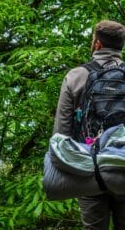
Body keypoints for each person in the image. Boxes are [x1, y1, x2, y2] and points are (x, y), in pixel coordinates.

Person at [53, 20, 125, 230]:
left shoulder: (76, 76)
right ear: (120, 45)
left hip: (89, 170)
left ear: (97, 44)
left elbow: (61, 133)